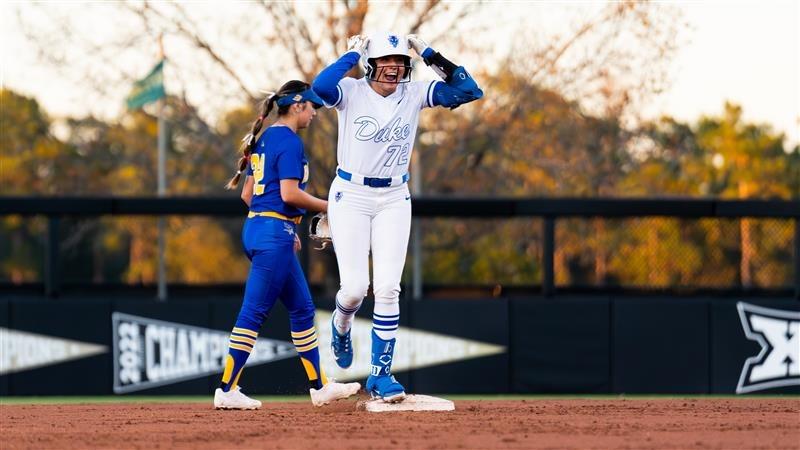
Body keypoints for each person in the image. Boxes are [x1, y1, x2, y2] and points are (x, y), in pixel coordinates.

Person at [311, 32, 483, 402]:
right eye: (386, 61)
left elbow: (469, 91)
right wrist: (353, 53)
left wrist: (429, 53)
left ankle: (381, 375)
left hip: (393, 196)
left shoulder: (414, 92)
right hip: (351, 193)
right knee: (355, 289)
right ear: (371, 64)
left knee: (388, 287)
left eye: (400, 61)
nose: (394, 67)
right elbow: (320, 86)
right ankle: (341, 323)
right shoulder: (352, 91)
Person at [214, 80, 361, 410]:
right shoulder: (290, 142)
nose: (314, 113)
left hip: (261, 229)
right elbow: (290, 194)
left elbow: (248, 195)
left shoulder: (265, 137)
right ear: (297, 105)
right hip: (273, 235)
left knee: (303, 309)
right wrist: (332, 207)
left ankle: (319, 387)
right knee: (254, 312)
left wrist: (284, 223)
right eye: (311, 107)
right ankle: (226, 388)